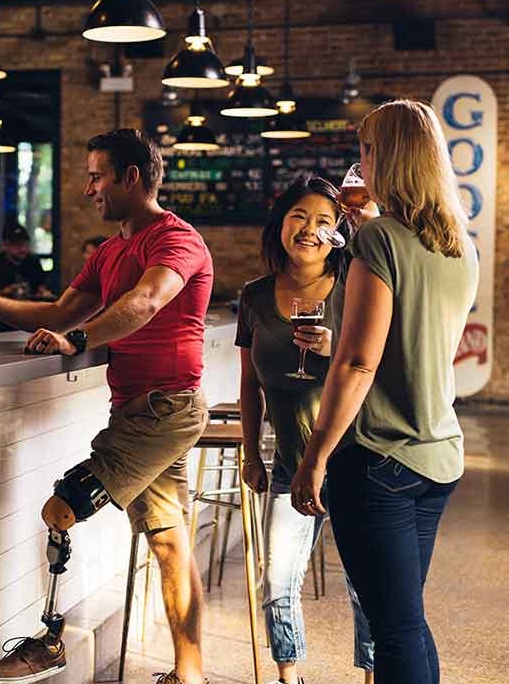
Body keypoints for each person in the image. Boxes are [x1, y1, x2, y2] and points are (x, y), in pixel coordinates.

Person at [0, 129, 214, 684]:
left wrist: (80, 341)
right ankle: (191, 676)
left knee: (61, 509)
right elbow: (61, 310)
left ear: (130, 178)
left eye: (96, 175)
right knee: (168, 542)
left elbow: (147, 299)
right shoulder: (112, 250)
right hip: (143, 410)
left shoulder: (175, 240)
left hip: (165, 409)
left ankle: (52, 638)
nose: (89, 188)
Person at [290, 100, 479, 684]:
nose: (359, 161)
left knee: (392, 629)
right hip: (438, 454)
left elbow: (358, 361)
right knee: (406, 623)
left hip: (378, 460)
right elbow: (410, 344)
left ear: (389, 157)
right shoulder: (458, 245)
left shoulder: (379, 243)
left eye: (367, 149)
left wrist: (315, 456)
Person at [237, 177, 374, 684]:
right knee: (277, 580)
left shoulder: (359, 286)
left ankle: (371, 676)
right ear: (281, 223)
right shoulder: (254, 297)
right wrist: (252, 452)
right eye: (299, 217)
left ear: (338, 231)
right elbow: (249, 385)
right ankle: (288, 676)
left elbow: (376, 364)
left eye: (324, 221)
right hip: (290, 464)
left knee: (364, 585)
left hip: (357, 458)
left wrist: (331, 348)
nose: (310, 230)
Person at [0, 223, 54, 299]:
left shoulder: (33, 262)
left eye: (25, 244)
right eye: (18, 245)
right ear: (5, 245)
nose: (23, 249)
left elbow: (41, 286)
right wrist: (6, 291)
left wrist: (43, 292)